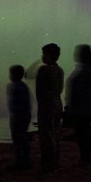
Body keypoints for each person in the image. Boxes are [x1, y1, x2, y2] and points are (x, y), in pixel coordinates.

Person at [64, 44, 91, 167]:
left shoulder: (85, 71)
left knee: (83, 135)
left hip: (83, 109)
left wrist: (70, 107)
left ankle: (86, 159)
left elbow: (78, 91)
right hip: (90, 108)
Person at [35, 42, 64, 173]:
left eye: (44, 54)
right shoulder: (60, 70)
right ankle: (55, 162)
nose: (42, 56)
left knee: (46, 135)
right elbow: (59, 89)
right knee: (55, 134)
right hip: (57, 104)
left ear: (50, 55)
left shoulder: (44, 70)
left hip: (46, 105)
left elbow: (39, 90)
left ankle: (48, 164)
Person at [6, 64, 32, 171]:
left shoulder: (16, 87)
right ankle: (25, 161)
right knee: (22, 139)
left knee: (18, 140)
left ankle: (21, 162)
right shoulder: (22, 86)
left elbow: (16, 103)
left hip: (18, 117)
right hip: (23, 116)